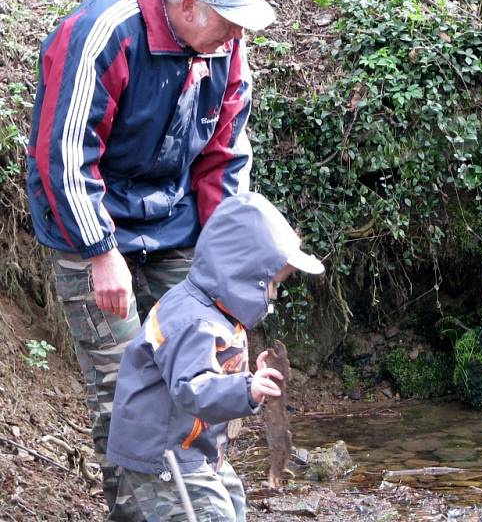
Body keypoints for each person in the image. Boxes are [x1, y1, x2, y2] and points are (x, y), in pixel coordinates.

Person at [25, 0, 275, 519]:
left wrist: (221, 265)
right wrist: (99, 249)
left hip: (174, 226)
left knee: (203, 368)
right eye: (231, 24)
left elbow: (224, 162)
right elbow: (62, 154)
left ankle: (200, 501)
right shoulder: (102, 33)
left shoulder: (226, 54)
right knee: (124, 392)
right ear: (190, 8)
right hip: (91, 225)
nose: (238, 39)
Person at [107, 191, 323, 520]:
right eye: (273, 284)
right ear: (245, 275)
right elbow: (192, 387)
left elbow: (214, 370)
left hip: (196, 449)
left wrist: (252, 377)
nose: (275, 294)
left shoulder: (218, 310)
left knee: (232, 502)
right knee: (213, 514)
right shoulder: (193, 320)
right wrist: (246, 388)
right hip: (165, 455)